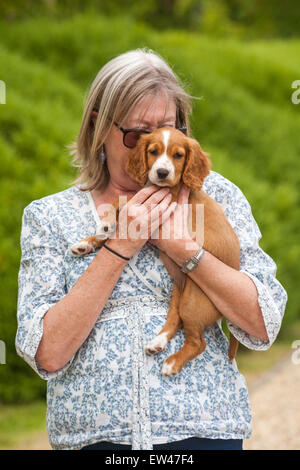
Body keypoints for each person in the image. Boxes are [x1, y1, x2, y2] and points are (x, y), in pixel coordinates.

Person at [16, 48, 287, 451]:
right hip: (94, 440)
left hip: (204, 432)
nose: (155, 154)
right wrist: (121, 243)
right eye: (138, 136)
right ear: (97, 128)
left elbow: (263, 324)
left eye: (169, 129)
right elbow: (48, 354)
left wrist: (182, 248)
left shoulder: (218, 197)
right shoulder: (50, 216)